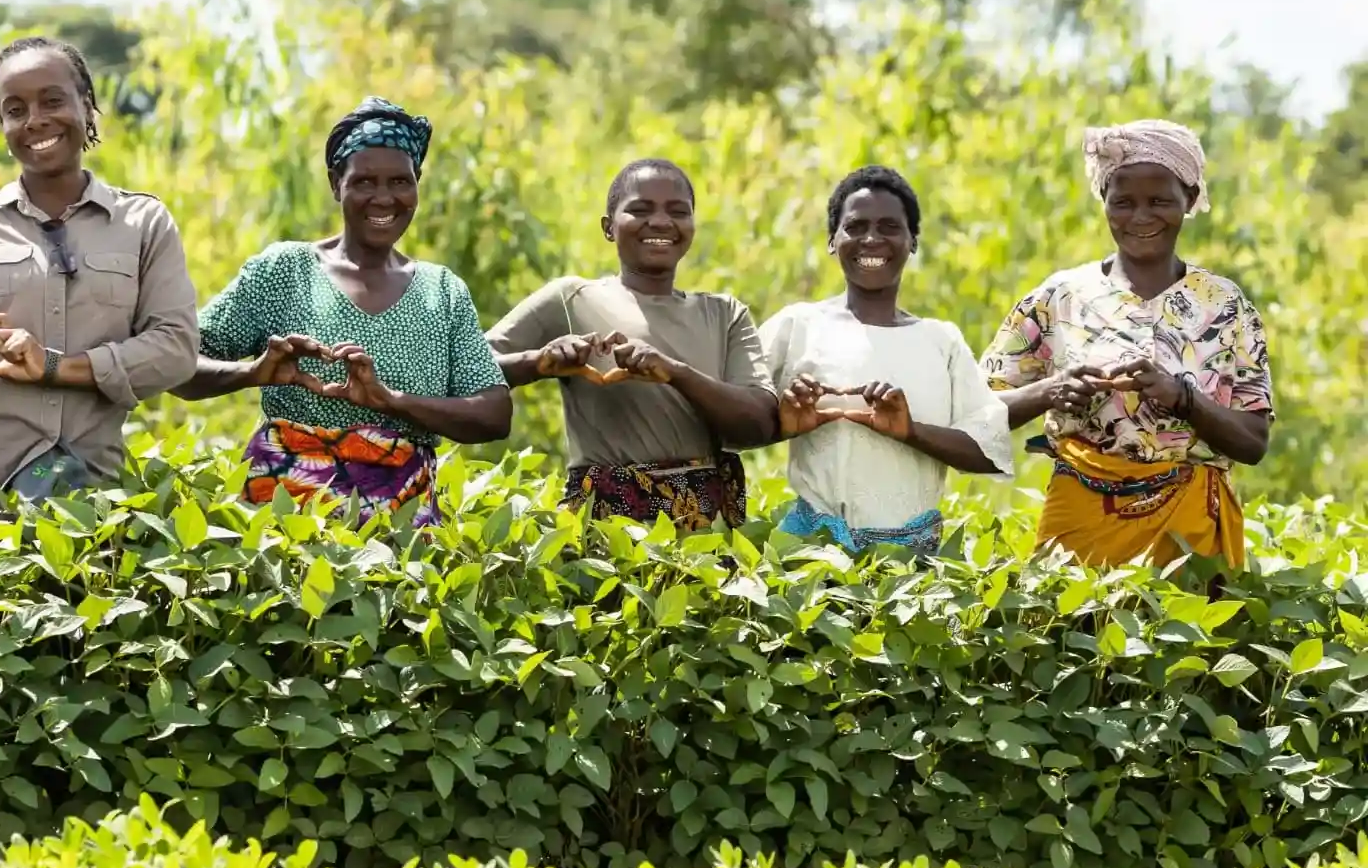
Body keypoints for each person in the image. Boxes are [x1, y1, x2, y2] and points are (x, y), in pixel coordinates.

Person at [0, 35, 199, 508]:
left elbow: (175, 347)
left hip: (91, 496)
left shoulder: (143, 223)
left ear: (87, 106)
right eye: (15, 110)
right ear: (2, 125)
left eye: (52, 101)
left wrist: (57, 367)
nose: (35, 120)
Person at [178, 98, 509, 519]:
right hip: (287, 524)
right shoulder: (285, 270)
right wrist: (252, 372)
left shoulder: (441, 291)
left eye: (400, 182)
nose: (384, 198)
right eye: (365, 182)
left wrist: (391, 400)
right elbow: (177, 365)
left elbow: (494, 414)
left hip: (402, 533)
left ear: (417, 183)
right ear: (336, 183)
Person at [981, 119, 1271, 567]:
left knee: (1190, 634)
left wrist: (1182, 397)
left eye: (1159, 201)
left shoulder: (1224, 305)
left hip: (1189, 537)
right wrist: (1050, 391)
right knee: (1075, 634)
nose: (1140, 217)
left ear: (1190, 200)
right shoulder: (1060, 298)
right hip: (1079, 526)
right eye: (1123, 202)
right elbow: (978, 414)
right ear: (1104, 202)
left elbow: (1253, 442)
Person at [487, 158, 777, 528]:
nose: (660, 222)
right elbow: (469, 366)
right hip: (604, 529)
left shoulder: (724, 314)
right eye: (639, 209)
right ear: (609, 228)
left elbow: (758, 423)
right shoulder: (571, 298)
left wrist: (675, 373)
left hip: (703, 528)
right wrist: (537, 362)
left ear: (691, 226)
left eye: (678, 211)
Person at [758, 166, 1010, 555]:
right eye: (856, 227)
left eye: (890, 227)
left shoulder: (940, 340)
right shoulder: (797, 325)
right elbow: (735, 422)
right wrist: (782, 422)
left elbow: (987, 450)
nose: (872, 239)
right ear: (832, 240)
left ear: (912, 241)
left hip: (911, 565)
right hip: (810, 556)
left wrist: (911, 432)